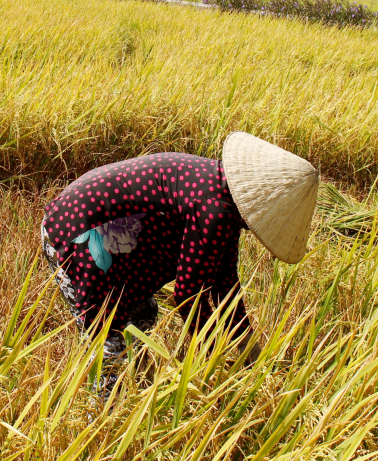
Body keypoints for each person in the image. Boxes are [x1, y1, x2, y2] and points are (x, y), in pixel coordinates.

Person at [41, 132, 319, 393]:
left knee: (142, 313)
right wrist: (217, 359)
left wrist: (253, 356)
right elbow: (188, 296)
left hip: (103, 232)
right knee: (108, 339)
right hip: (77, 231)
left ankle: (138, 386)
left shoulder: (223, 192)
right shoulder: (215, 210)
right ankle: (102, 424)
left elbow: (225, 284)